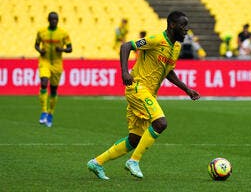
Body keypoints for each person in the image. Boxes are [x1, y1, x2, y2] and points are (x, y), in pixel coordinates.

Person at [87, 11, 200, 180]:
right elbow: (126, 46)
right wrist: (125, 72)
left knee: (134, 139)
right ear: (172, 25)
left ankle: (96, 162)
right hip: (137, 87)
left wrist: (187, 89)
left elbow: (168, 72)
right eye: (183, 26)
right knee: (161, 123)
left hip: (148, 93)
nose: (186, 30)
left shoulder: (175, 47)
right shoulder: (155, 40)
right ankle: (134, 161)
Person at [35, 11, 72, 127]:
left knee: (54, 90)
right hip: (44, 61)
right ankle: (44, 112)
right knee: (44, 83)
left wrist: (61, 50)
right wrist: (40, 51)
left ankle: (50, 113)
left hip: (57, 63)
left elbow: (70, 48)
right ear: (48, 20)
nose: (54, 21)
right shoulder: (41, 32)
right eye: (52, 19)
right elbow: (36, 44)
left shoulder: (63, 33)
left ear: (58, 20)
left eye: (56, 19)